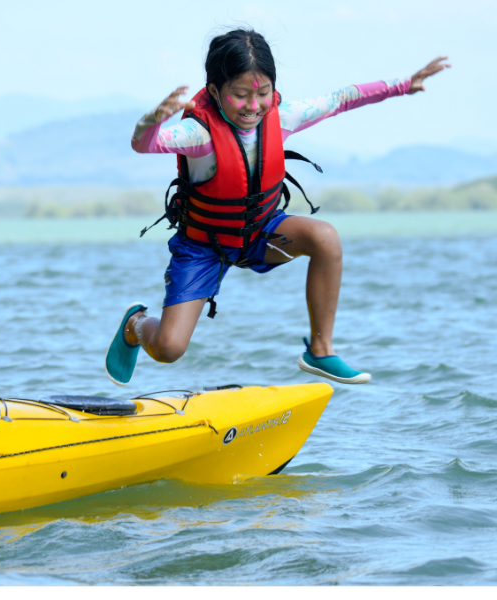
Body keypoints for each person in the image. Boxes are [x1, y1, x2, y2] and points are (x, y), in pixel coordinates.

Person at [105, 28, 450, 387]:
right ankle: (135, 325)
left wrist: (404, 84)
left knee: (325, 237)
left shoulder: (282, 117)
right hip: (204, 246)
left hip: (260, 234)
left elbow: (342, 98)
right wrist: (151, 121)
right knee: (169, 349)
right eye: (240, 94)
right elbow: (146, 145)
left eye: (262, 93)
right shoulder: (199, 135)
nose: (253, 106)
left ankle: (320, 351)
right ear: (214, 91)